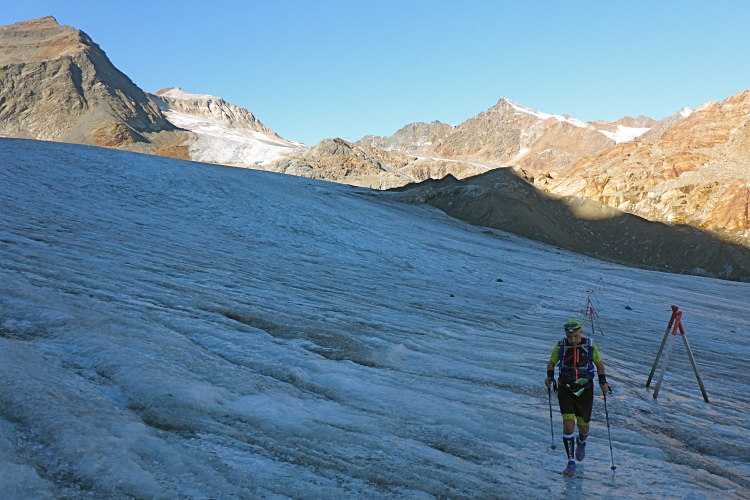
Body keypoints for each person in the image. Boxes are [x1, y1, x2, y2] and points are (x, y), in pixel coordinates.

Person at [545, 318, 611, 477]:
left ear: (580, 332)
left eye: (575, 336)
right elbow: (551, 364)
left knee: (583, 427)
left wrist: (603, 382)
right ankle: (570, 462)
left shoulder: (590, 346)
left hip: (584, 391)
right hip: (565, 390)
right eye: (570, 337)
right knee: (568, 425)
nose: (573, 340)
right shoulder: (560, 346)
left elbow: (599, 365)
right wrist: (549, 377)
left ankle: (581, 442)